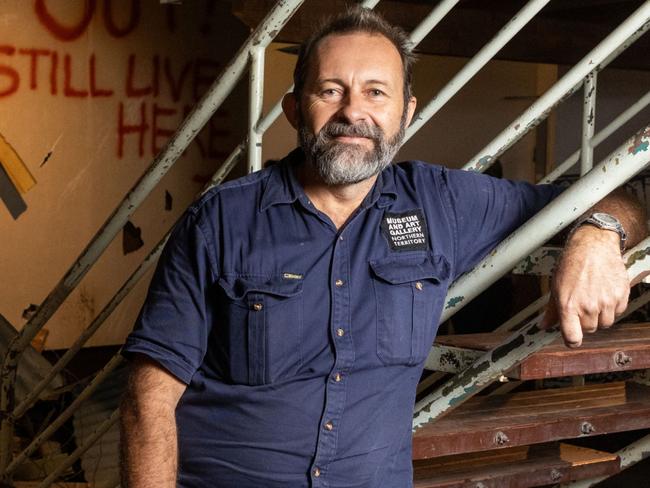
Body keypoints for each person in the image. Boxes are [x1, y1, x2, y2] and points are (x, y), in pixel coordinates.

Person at [119, 7, 645, 488]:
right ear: (293, 110)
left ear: (406, 112)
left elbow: (615, 194)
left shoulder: (442, 204)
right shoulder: (220, 221)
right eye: (330, 90)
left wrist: (598, 233)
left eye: (376, 92)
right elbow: (149, 397)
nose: (354, 112)